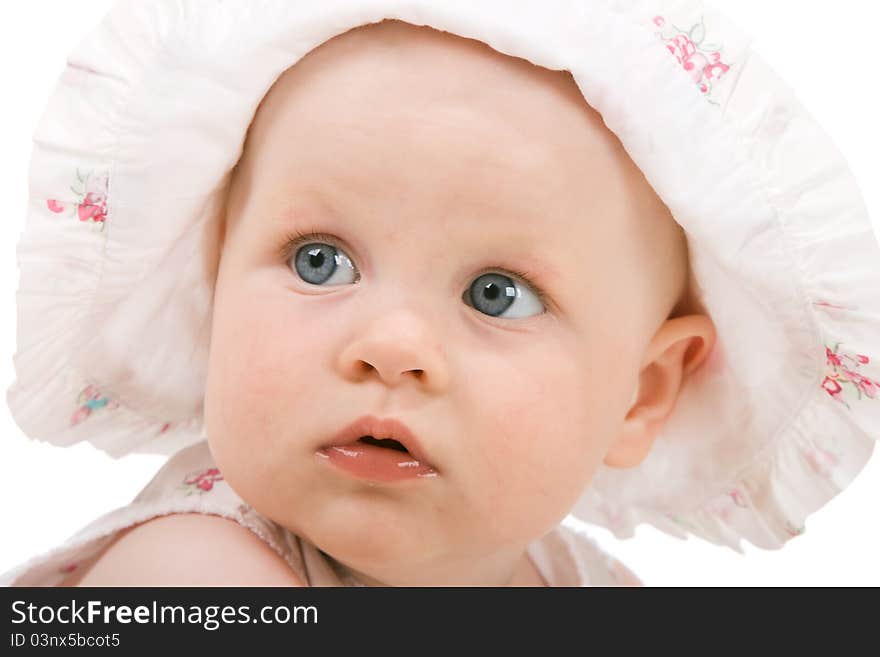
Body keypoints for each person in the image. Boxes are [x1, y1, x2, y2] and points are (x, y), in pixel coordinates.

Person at [2, 0, 877, 587]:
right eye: (319, 261)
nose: (391, 344)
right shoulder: (193, 575)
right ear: (218, 276)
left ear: (641, 392)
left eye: (497, 294)